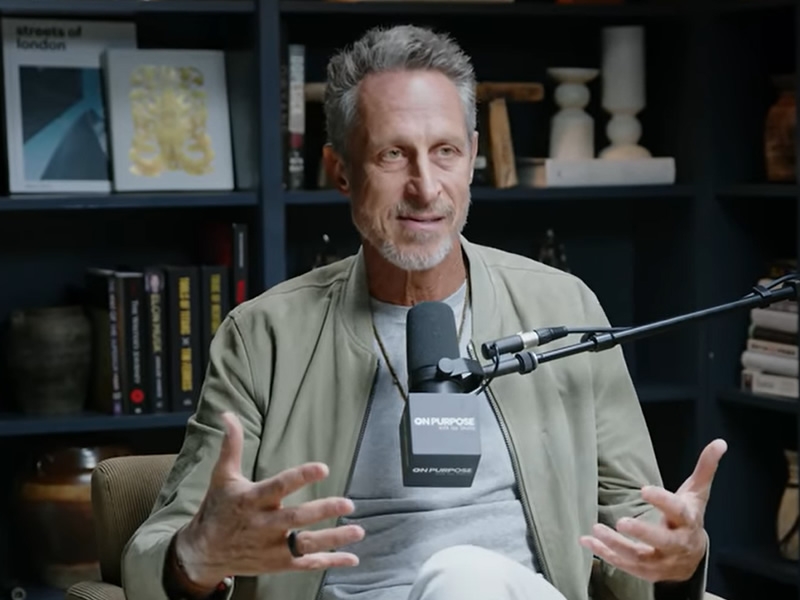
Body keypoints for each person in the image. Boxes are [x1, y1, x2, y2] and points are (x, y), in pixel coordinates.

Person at [121, 24, 727, 600]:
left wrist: (680, 561)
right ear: (340, 172)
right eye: (392, 155)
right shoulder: (263, 338)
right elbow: (157, 549)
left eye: (445, 152)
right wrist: (197, 555)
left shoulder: (563, 306)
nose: (425, 186)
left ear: (471, 160)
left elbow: (639, 534)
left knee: (461, 575)